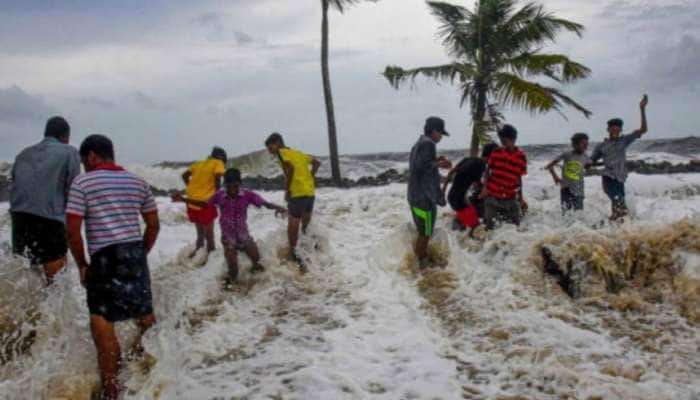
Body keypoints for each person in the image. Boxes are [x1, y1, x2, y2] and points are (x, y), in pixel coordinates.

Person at [66, 135, 160, 400]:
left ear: (92, 156)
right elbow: (153, 225)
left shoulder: (82, 182)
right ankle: (151, 375)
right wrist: (140, 254)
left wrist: (83, 265)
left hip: (104, 258)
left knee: (103, 324)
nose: (85, 166)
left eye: (85, 160)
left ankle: (112, 391)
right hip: (134, 253)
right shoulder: (138, 182)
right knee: (145, 317)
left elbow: (72, 231)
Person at [172, 168, 286, 284]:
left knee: (257, 262)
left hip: (244, 236)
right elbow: (204, 204)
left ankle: (254, 287)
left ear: (240, 184)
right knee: (233, 268)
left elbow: (265, 204)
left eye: (235, 186)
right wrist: (183, 199)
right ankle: (228, 290)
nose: (232, 190)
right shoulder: (219, 195)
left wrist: (279, 208)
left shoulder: (247, 195)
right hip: (228, 239)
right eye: (229, 186)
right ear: (225, 185)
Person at [10, 116, 81, 285]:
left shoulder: (23, 154)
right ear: (66, 136)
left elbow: (15, 183)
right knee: (56, 283)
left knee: (28, 281)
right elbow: (73, 191)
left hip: (19, 220)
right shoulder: (69, 152)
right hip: (49, 221)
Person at [264, 132, 321, 269]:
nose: (269, 150)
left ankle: (293, 252)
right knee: (305, 222)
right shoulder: (298, 153)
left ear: (277, 143)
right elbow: (317, 163)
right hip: (310, 192)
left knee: (293, 223)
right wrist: (310, 177)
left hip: (297, 193)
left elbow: (290, 168)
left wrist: (287, 190)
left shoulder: (281, 153)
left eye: (270, 147)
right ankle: (308, 246)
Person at [591, 95, 649, 221]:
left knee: (620, 209)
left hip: (620, 178)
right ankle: (615, 228)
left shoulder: (624, 141)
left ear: (621, 129)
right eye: (613, 126)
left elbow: (643, 130)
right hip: (608, 178)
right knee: (619, 204)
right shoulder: (601, 146)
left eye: (618, 126)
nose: (615, 128)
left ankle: (611, 229)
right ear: (608, 129)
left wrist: (642, 109)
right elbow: (591, 160)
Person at [408, 116, 453, 268]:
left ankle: (418, 261)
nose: (441, 137)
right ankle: (421, 265)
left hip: (414, 196)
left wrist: (436, 161)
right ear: (434, 131)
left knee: (423, 231)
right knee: (425, 233)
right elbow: (424, 167)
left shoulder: (418, 144)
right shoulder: (429, 144)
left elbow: (419, 166)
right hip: (423, 198)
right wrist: (441, 163)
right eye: (440, 133)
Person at [181, 147, 227, 258]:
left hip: (191, 202)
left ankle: (197, 254)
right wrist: (217, 196)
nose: (223, 164)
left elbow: (184, 175)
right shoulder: (218, 162)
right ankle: (210, 260)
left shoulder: (198, 163)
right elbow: (217, 177)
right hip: (205, 203)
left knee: (200, 234)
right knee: (209, 235)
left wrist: (192, 189)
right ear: (221, 157)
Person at [480, 124, 528, 230]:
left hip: (510, 198)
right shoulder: (496, 153)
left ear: (513, 139)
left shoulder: (521, 157)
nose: (503, 143)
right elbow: (488, 171)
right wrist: (484, 188)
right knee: (490, 228)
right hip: (492, 196)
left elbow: (518, 179)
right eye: (501, 140)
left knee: (516, 228)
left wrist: (521, 199)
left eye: (505, 141)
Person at [442, 142, 499, 230]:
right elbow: (477, 185)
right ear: (492, 155)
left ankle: (456, 235)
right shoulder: (481, 165)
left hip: (452, 197)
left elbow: (451, 172)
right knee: (476, 228)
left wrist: (443, 191)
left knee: (466, 225)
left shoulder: (468, 159)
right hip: (459, 201)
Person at [546, 133, 591, 212]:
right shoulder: (567, 154)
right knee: (566, 213)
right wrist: (555, 177)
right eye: (583, 144)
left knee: (578, 214)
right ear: (575, 144)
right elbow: (550, 165)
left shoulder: (586, 157)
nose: (586, 147)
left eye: (587, 144)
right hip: (566, 188)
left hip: (579, 190)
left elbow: (589, 169)